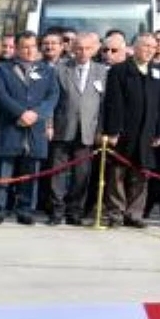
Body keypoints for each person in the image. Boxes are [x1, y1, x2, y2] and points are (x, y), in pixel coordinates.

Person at [0, 31, 59, 225]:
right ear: (17, 48)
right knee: (3, 174)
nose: (29, 51)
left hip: (35, 130)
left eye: (32, 47)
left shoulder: (47, 70)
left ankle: (25, 210)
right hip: (11, 127)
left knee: (30, 175)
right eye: (24, 47)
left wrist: (36, 114)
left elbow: (52, 96)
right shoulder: (3, 69)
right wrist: (20, 113)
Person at [101, 32, 160, 228]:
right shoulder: (119, 71)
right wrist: (112, 131)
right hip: (124, 132)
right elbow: (113, 103)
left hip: (147, 132)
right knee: (117, 174)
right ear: (134, 47)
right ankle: (116, 213)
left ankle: (134, 213)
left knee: (141, 175)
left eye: (153, 47)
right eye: (145, 46)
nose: (149, 50)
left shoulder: (158, 72)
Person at [48, 32, 106, 226]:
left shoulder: (102, 72)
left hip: (87, 132)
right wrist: (49, 124)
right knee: (58, 173)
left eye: (87, 48)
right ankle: (56, 211)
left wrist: (101, 131)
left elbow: (105, 105)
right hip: (62, 129)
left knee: (82, 174)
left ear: (95, 49)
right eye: (79, 48)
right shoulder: (60, 69)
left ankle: (75, 212)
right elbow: (51, 100)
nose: (82, 52)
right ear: (72, 48)